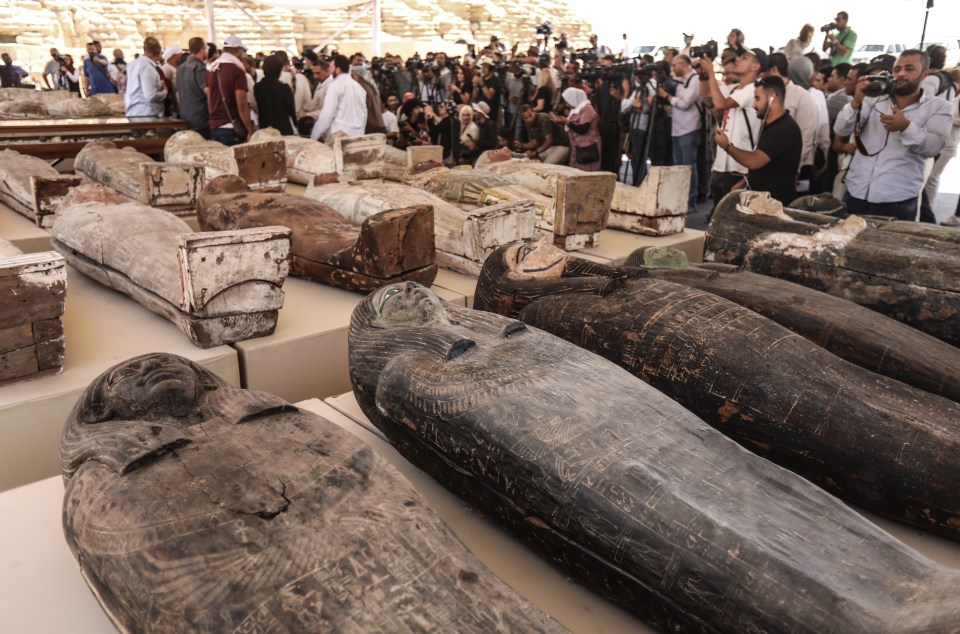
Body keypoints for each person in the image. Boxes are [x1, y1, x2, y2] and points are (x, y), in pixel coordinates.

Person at [834, 50, 952, 220]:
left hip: (898, 200)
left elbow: (933, 148)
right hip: (857, 192)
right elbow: (840, 130)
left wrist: (906, 127)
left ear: (925, 74)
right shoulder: (873, 98)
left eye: (909, 69)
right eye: (897, 69)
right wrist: (855, 102)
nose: (901, 74)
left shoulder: (939, 107)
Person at [714, 76, 802, 205]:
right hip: (761, 201)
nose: (754, 104)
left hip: (774, 204)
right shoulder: (771, 125)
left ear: (772, 97)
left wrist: (727, 146)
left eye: (757, 98)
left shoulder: (783, 130)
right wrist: (742, 183)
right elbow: (766, 165)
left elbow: (754, 161)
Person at [699, 48, 765, 209]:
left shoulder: (753, 89)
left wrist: (711, 72)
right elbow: (706, 96)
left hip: (738, 168)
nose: (737, 60)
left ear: (755, 67)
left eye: (745, 58)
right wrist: (704, 75)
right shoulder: (735, 89)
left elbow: (720, 105)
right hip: (722, 165)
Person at [658, 54, 701, 210]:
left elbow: (685, 103)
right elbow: (677, 106)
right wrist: (667, 107)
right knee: (678, 168)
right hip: (677, 128)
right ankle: (680, 199)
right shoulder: (680, 82)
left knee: (688, 167)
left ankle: (690, 201)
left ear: (683, 64)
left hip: (689, 128)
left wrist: (666, 96)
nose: (672, 69)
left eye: (675, 65)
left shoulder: (695, 80)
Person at [207, 35, 254, 146]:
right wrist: (250, 130)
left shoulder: (211, 70)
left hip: (214, 127)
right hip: (231, 128)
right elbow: (241, 104)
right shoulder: (237, 70)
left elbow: (209, 100)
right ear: (238, 50)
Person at [310, 54, 367, 141]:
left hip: (340, 137)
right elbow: (364, 114)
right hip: (358, 135)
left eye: (331, 67)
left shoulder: (335, 85)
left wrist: (313, 137)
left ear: (338, 69)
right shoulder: (359, 87)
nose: (329, 70)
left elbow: (327, 115)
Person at [552, 87, 601, 172]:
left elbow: (583, 129)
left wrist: (567, 122)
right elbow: (573, 126)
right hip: (577, 148)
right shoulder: (575, 109)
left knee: (587, 175)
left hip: (588, 149)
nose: (566, 103)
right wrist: (560, 120)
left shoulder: (587, 108)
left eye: (568, 100)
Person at [623, 66, 657, 184]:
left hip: (643, 128)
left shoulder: (651, 87)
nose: (638, 77)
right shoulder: (638, 89)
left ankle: (640, 182)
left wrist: (644, 103)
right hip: (634, 127)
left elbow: (652, 105)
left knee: (639, 158)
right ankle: (636, 181)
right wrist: (633, 103)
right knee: (634, 158)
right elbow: (624, 107)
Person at [124, 38, 168, 117]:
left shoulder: (133, 64)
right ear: (158, 53)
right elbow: (151, 96)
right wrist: (165, 91)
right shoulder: (147, 68)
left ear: (144, 50)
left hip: (134, 111)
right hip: (146, 113)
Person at [176, 37, 209, 138]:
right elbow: (209, 92)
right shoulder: (199, 68)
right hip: (201, 119)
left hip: (185, 117)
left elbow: (177, 94)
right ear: (202, 50)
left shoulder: (180, 68)